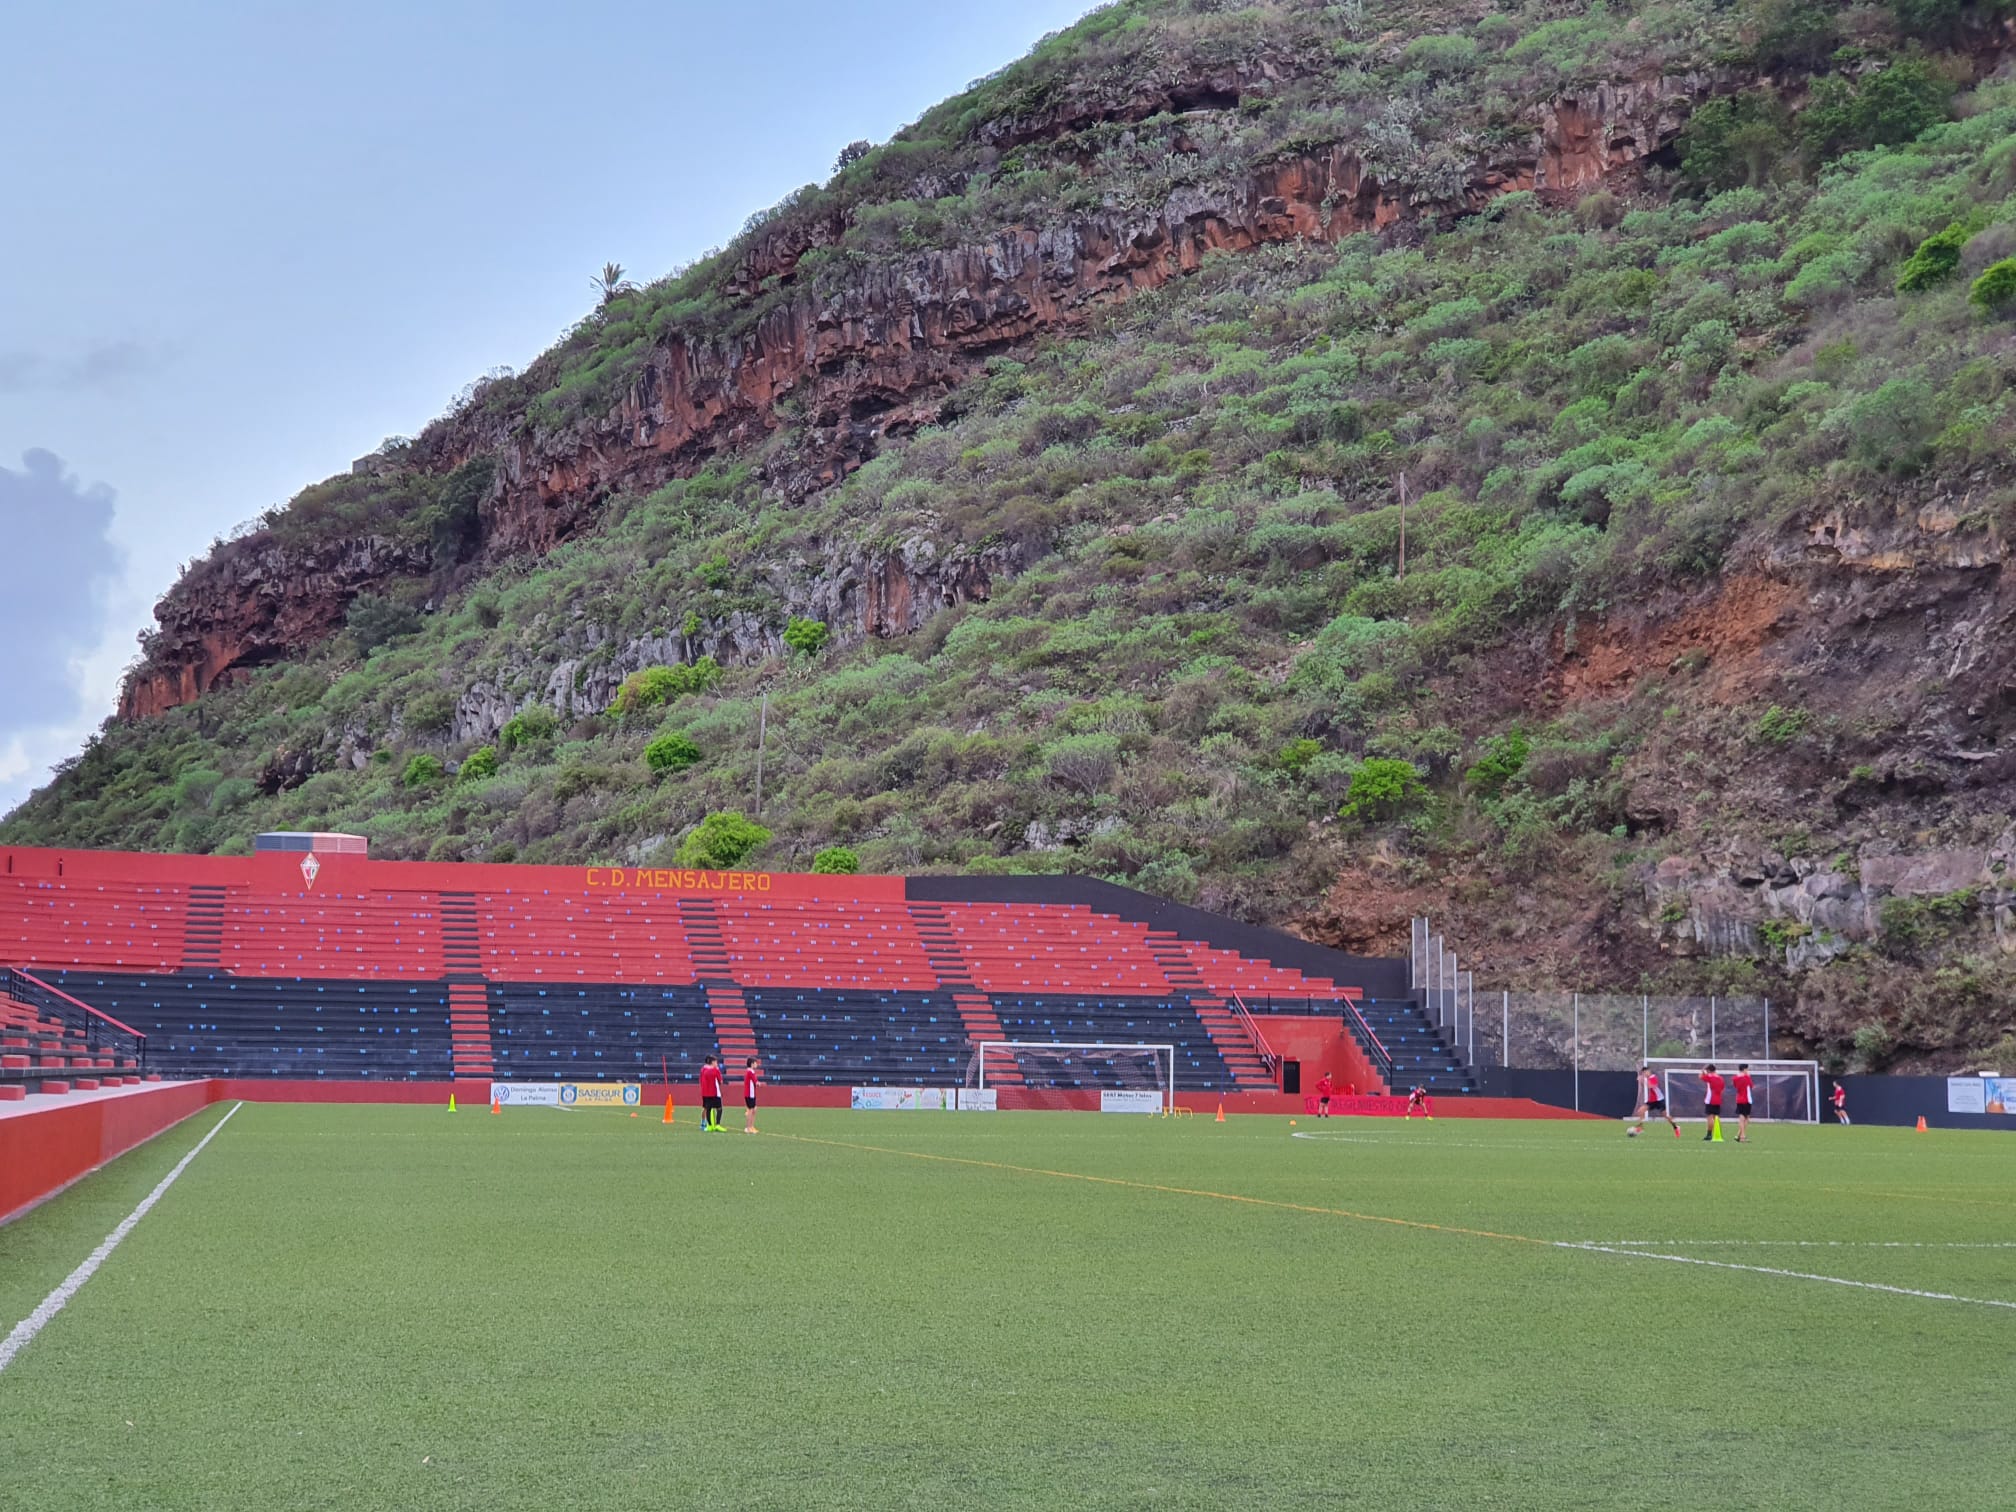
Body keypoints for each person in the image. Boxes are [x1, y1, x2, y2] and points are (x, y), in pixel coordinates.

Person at [1630, 1064, 1681, 1138]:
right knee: (1640, 1111)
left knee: (1666, 1116)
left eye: (1645, 1072)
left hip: (1659, 1100)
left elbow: (1652, 1086)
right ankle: (1640, 1127)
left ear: (1648, 1071)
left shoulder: (1653, 1077)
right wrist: (1641, 1081)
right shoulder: (1648, 1079)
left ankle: (1676, 1127)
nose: (1644, 1074)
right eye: (1643, 1073)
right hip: (1652, 1100)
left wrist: (1642, 1081)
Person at [1700, 1063, 1726, 1141]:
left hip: (1710, 1099)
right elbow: (1722, 1089)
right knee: (1716, 1118)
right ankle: (1718, 1133)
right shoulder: (1721, 1078)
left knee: (1710, 1117)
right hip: (1718, 1099)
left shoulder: (1710, 1077)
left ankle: (1709, 1134)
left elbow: (1701, 1076)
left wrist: (1703, 1070)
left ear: (1708, 1070)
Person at [699, 1055, 725, 1132]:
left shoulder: (703, 1070)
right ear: (713, 1062)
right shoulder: (715, 1070)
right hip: (714, 1092)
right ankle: (717, 1124)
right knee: (719, 1108)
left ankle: (707, 1124)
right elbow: (720, 1081)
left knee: (707, 1108)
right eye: (716, 1062)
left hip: (705, 1092)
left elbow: (701, 1080)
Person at [1732, 1063, 1755, 1143]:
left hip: (1739, 1099)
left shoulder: (1735, 1078)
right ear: (1744, 1069)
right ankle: (1742, 1136)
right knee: (1744, 1118)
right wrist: (1748, 1076)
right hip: (1746, 1099)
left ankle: (1738, 1135)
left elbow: (1735, 1085)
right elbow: (1752, 1086)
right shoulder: (1746, 1077)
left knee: (1743, 1118)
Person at [742, 1055, 762, 1134]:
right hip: (749, 1094)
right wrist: (758, 1083)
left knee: (754, 1109)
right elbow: (755, 1082)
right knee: (750, 1110)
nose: (757, 1064)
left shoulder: (750, 1072)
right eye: (755, 1063)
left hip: (751, 1094)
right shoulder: (750, 1072)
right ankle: (748, 1127)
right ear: (752, 1064)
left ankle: (751, 1126)